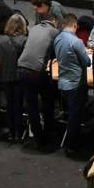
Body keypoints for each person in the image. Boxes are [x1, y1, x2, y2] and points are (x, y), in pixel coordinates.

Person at [18, 14, 60, 147]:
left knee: (32, 106)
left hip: (21, 69)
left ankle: (37, 138)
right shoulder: (54, 32)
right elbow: (56, 52)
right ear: (54, 21)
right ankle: (48, 132)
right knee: (48, 101)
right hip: (36, 71)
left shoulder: (34, 28)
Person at [54, 13, 91, 154]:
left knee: (70, 113)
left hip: (63, 82)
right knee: (75, 116)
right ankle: (72, 145)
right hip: (76, 83)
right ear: (75, 25)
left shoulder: (58, 38)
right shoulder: (76, 42)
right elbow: (87, 62)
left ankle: (70, 141)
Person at [0, 14, 29, 140]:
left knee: (9, 104)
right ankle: (19, 133)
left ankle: (11, 132)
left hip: (5, 75)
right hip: (19, 77)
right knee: (18, 105)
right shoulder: (25, 41)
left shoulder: (1, 40)